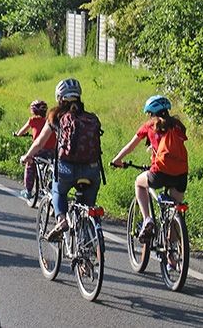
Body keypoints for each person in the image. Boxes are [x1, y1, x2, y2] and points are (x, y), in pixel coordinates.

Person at [20, 78, 102, 241]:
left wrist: (27, 156)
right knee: (88, 207)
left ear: (59, 98)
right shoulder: (91, 118)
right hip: (92, 170)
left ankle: (62, 220)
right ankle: (89, 247)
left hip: (67, 168)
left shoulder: (55, 116)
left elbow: (39, 142)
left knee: (58, 190)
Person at [111, 95, 188, 242]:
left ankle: (147, 220)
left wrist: (117, 160)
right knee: (175, 212)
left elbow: (130, 146)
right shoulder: (177, 125)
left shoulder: (149, 126)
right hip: (181, 174)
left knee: (139, 183)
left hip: (159, 173)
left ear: (151, 112)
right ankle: (172, 258)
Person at [14, 100, 56, 200]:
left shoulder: (33, 120)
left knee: (30, 165)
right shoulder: (49, 121)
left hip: (39, 150)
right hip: (51, 150)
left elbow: (22, 131)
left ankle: (28, 191)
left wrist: (17, 134)